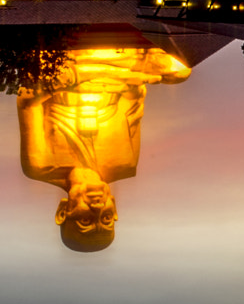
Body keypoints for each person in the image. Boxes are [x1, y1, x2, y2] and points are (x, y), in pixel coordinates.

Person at [16, 40, 194, 251]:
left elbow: (28, 99)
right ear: (114, 208)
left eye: (85, 220)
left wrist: (79, 76)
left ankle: (90, 54)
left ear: (63, 212)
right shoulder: (125, 164)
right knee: (179, 72)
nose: (97, 207)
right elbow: (134, 96)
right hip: (116, 71)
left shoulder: (40, 166)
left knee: (47, 66)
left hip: (66, 70)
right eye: (106, 217)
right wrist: (115, 78)